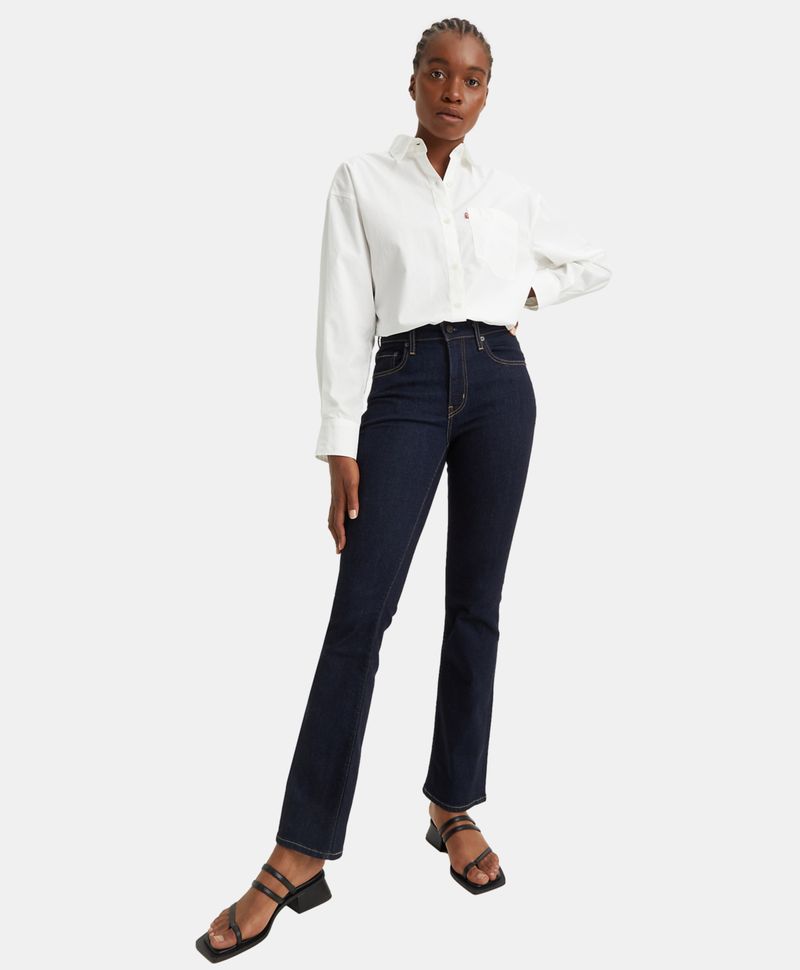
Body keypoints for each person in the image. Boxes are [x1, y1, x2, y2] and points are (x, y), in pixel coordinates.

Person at [197, 16, 611, 962]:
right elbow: (343, 311)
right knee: (361, 614)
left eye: (473, 79)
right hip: (405, 385)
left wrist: (523, 296)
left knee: (477, 607)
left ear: (488, 92)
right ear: (414, 79)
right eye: (438, 72)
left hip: (501, 384)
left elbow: (593, 261)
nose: (454, 91)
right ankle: (300, 848)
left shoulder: (508, 194)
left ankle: (452, 803)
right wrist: (338, 443)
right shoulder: (362, 180)